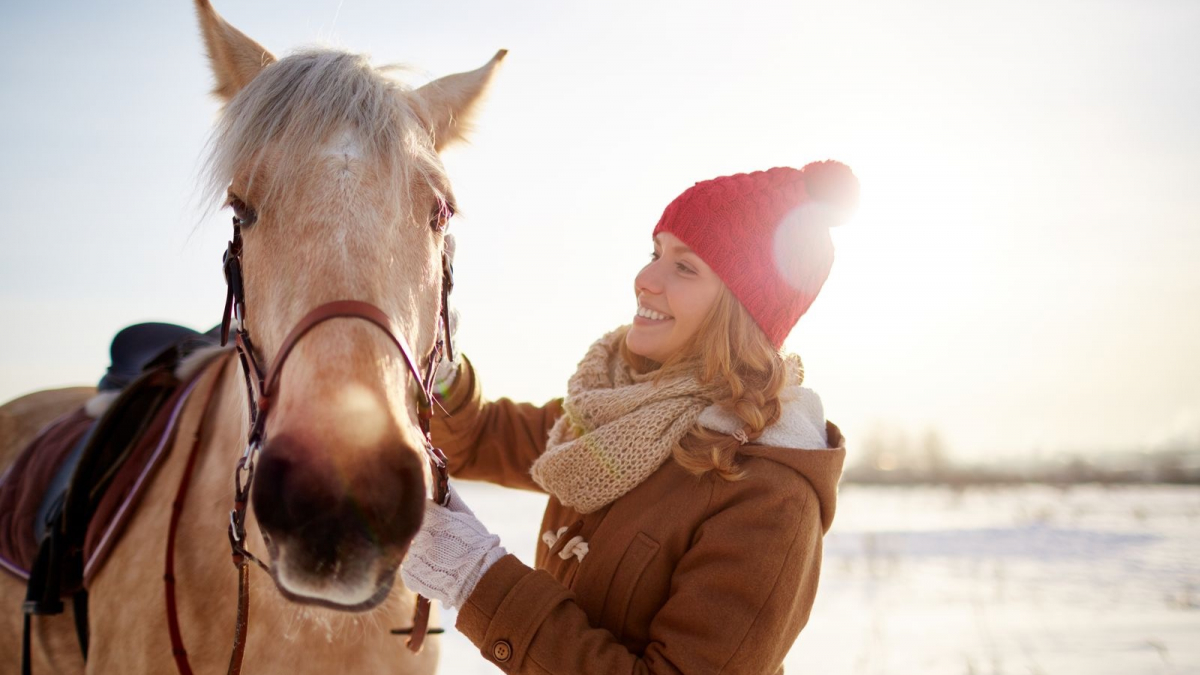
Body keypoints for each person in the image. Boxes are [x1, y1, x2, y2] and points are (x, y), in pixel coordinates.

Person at [401, 161, 858, 674]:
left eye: (685, 267)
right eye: (655, 253)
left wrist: (479, 580)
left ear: (740, 310)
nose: (644, 279)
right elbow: (481, 438)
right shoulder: (618, 408)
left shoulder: (771, 495)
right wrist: (439, 367)